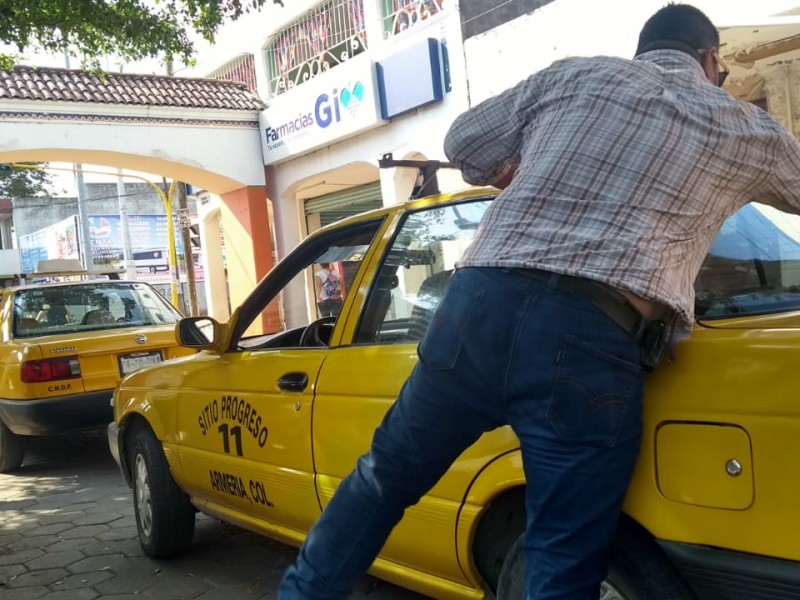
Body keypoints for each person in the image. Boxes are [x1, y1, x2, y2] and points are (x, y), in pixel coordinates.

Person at [279, 4, 800, 599]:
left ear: (643, 48)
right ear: (710, 60)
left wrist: (518, 166)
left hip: (475, 305)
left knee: (383, 479)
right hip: (591, 334)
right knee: (560, 545)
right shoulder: (741, 127)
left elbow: (463, 141)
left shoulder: (573, 76)